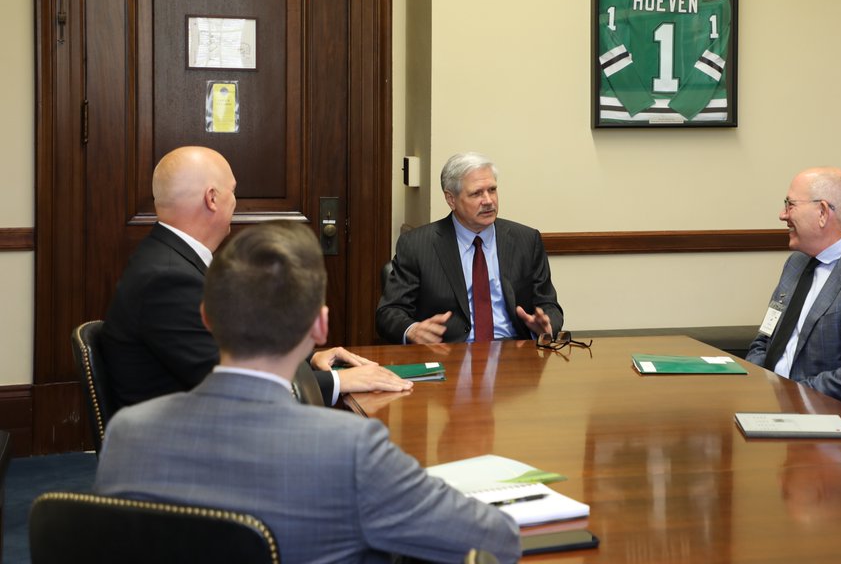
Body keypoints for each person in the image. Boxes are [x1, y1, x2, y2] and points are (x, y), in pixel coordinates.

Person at [94, 221, 521, 564]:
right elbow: (494, 540)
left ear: (206, 317)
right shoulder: (351, 448)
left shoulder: (127, 432)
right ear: (320, 326)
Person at [101, 146, 409, 409]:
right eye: (233, 192)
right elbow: (235, 384)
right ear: (212, 199)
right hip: (188, 454)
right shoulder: (167, 279)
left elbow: (238, 355)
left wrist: (306, 360)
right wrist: (339, 380)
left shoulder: (168, 260)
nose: (236, 203)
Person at [746, 167, 841, 422]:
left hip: (840, 426)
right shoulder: (795, 264)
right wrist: (759, 386)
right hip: (776, 411)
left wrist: (785, 395)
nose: (782, 215)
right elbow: (764, 338)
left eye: (790, 205)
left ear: (822, 212)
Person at [376, 152, 564, 344]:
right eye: (476, 193)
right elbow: (389, 312)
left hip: (515, 350)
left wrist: (547, 325)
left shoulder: (526, 240)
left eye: (492, 190)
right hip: (447, 352)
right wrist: (412, 330)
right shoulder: (417, 245)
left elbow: (549, 304)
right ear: (451, 200)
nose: (488, 200)